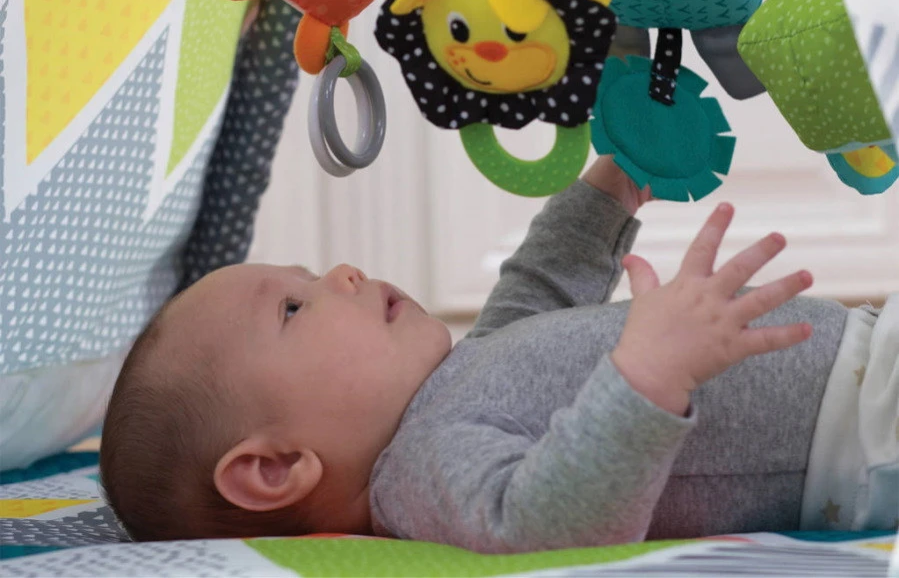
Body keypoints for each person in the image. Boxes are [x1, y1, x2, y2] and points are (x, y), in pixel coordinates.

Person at [99, 158, 898, 549]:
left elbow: (540, 280)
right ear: (275, 468)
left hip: (871, 356)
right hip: (867, 432)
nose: (341, 271)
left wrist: (611, 183)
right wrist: (648, 377)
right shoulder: (417, 474)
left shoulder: (457, 377)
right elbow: (549, 526)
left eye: (308, 274)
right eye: (295, 306)